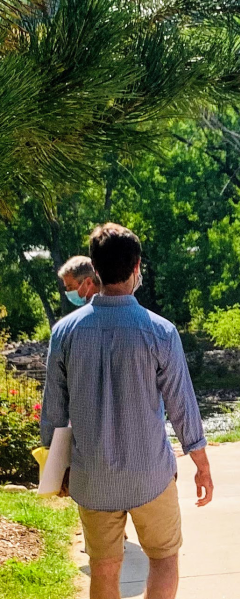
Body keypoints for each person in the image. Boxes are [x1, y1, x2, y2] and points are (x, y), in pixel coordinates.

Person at [41, 223, 212, 599]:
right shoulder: (160, 331)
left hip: (92, 476)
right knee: (164, 559)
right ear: (137, 267)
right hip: (151, 472)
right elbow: (181, 403)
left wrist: (56, 470)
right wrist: (201, 461)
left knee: (103, 570)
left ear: (95, 271)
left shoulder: (65, 333)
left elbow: (53, 409)